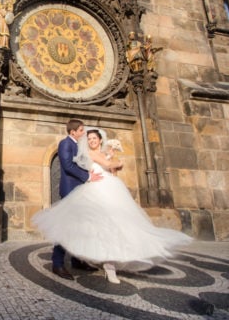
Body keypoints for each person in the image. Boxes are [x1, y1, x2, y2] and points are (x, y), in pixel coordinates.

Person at [33, 129, 192, 284]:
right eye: (89, 138)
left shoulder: (103, 153)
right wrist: (117, 162)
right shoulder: (89, 152)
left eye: (94, 138)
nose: (91, 140)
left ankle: (100, 263)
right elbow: (106, 164)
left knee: (113, 227)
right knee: (80, 225)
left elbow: (113, 172)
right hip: (94, 191)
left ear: (100, 140)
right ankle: (63, 262)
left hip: (110, 190)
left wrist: (113, 162)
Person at [50, 119, 103, 280]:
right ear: (73, 132)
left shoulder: (78, 145)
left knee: (80, 228)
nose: (84, 133)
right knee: (66, 228)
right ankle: (57, 264)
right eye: (81, 130)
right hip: (70, 190)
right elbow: (67, 166)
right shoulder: (65, 144)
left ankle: (77, 260)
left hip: (79, 191)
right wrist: (88, 176)